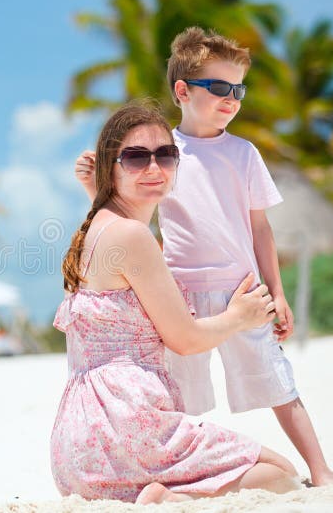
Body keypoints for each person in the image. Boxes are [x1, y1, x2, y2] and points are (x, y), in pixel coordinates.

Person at [74, 27, 333, 486]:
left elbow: (260, 229)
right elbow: (132, 218)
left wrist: (278, 291)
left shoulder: (245, 153)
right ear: (182, 91)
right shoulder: (166, 155)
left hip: (244, 290)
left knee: (277, 383)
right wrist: (96, 189)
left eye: (239, 90)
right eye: (219, 88)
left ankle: (321, 469)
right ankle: (177, 475)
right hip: (181, 296)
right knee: (181, 396)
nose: (232, 99)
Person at [51, 101, 300, 504]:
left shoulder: (96, 230)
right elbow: (184, 340)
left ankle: (168, 496)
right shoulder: (132, 236)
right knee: (280, 474)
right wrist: (239, 316)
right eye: (135, 158)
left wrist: (98, 191)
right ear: (109, 167)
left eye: (166, 155)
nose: (154, 168)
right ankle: (169, 501)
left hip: (77, 451)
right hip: (128, 426)